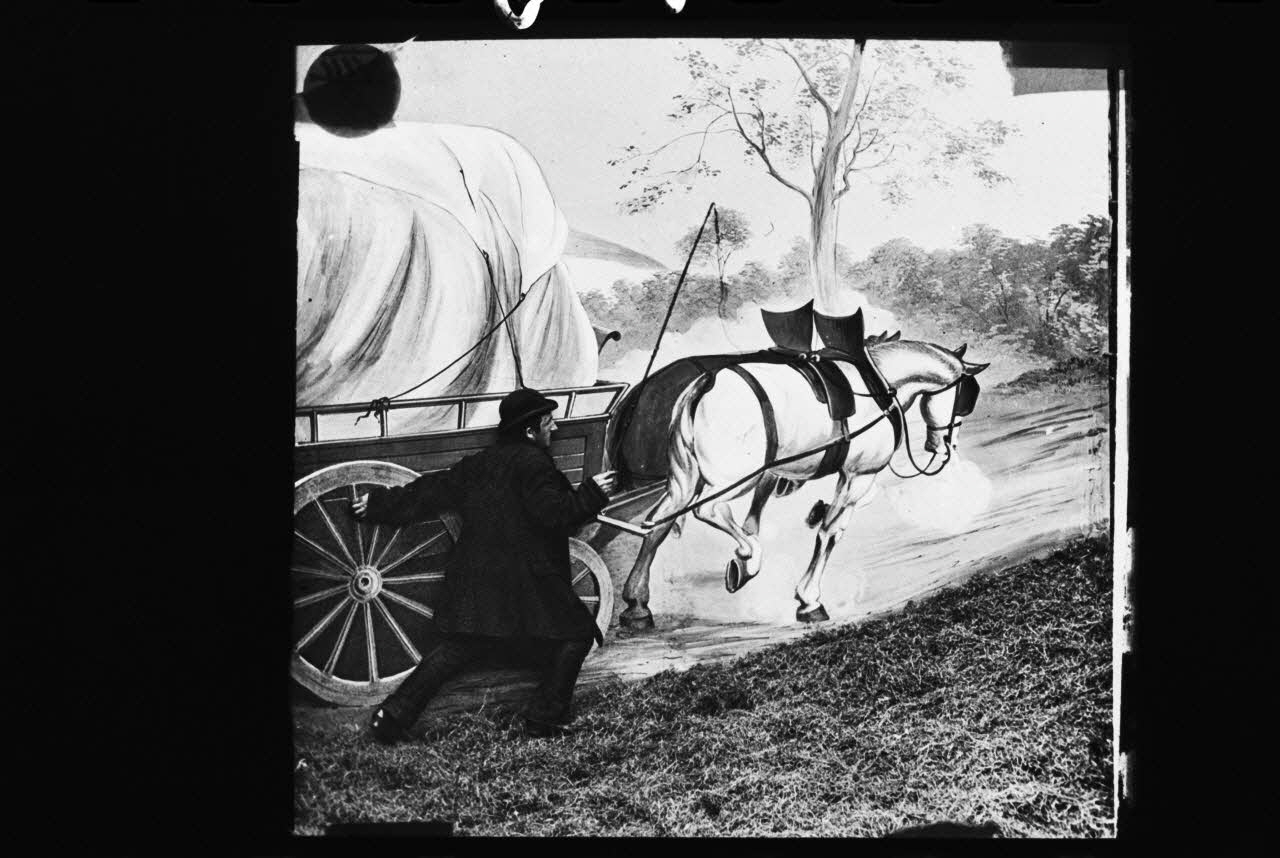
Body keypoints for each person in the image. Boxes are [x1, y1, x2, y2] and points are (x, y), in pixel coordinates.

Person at [351, 387, 619, 743]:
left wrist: (378, 503)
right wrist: (593, 493)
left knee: (459, 649)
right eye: (548, 423)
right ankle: (543, 719)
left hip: (476, 584)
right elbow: (555, 515)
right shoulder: (535, 465)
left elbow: (430, 491)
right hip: (525, 583)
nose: (552, 429)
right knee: (578, 634)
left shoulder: (479, 464)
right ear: (530, 431)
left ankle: (391, 717)